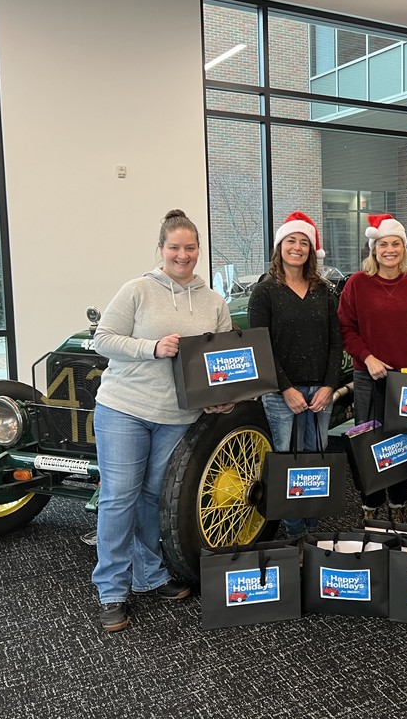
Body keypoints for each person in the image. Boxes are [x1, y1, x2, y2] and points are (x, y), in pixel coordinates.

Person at [91, 209, 234, 632]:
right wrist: (151, 348)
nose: (183, 254)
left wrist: (222, 398)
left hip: (177, 416)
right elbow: (103, 340)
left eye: (190, 247)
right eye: (175, 247)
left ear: (198, 251)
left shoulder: (213, 301)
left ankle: (148, 574)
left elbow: (225, 359)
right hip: (124, 408)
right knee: (119, 496)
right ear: (161, 249)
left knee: (153, 496)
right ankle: (112, 589)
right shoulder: (137, 290)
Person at [248, 212, 342, 542]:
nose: (298, 247)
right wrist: (286, 388)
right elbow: (260, 346)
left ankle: (312, 528)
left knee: (314, 457)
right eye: (292, 241)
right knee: (287, 461)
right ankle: (293, 532)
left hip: (320, 389)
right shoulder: (264, 291)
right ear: (280, 246)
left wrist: (329, 386)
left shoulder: (322, 291)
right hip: (280, 392)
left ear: (311, 251)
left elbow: (335, 341)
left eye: (304, 242)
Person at [338, 213, 407, 523]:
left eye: (396, 244)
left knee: (403, 441)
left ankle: (399, 503)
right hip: (369, 375)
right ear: (373, 249)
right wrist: (367, 357)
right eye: (383, 244)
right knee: (369, 440)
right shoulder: (357, 284)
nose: (389, 249)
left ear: (403, 248)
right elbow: (346, 328)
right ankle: (370, 504)